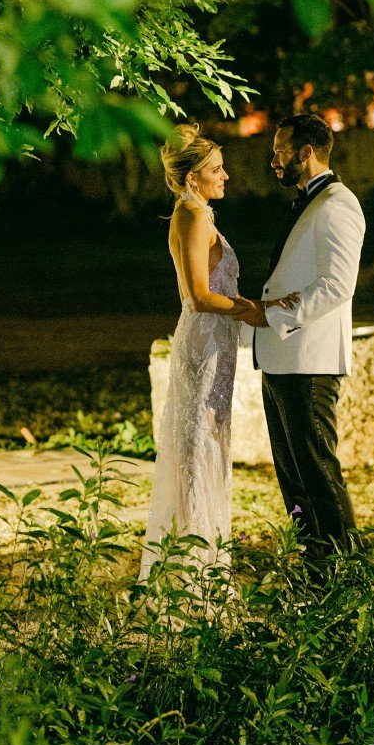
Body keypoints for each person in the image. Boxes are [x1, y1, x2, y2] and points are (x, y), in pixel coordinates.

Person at [139, 124, 296, 582]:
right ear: (193, 177)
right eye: (216, 169)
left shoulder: (197, 213)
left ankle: (203, 563)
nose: (226, 176)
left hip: (217, 344)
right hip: (204, 345)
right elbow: (197, 297)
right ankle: (190, 570)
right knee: (197, 449)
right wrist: (256, 311)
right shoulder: (191, 216)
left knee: (208, 445)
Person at [238, 113, 366, 576]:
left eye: (280, 151)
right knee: (294, 478)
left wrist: (271, 315)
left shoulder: (338, 204)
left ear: (305, 152)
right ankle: (316, 572)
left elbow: (337, 285)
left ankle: (350, 575)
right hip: (280, 358)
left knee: (318, 473)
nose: (274, 160)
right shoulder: (309, 202)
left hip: (310, 361)